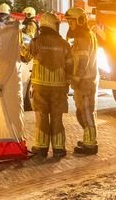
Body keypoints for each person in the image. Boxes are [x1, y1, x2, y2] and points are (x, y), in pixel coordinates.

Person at [25, 12, 73, 159]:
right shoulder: (64, 44)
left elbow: (25, 57)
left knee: (41, 117)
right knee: (57, 118)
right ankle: (59, 148)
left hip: (40, 86)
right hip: (59, 86)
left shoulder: (36, 41)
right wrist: (68, 83)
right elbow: (70, 66)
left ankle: (41, 147)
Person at [65, 7, 98, 155]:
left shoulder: (83, 37)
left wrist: (76, 78)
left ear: (79, 21)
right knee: (82, 112)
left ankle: (90, 144)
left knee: (86, 112)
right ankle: (88, 139)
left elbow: (83, 60)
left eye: (71, 22)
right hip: (85, 80)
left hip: (85, 81)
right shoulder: (85, 35)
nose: (69, 25)